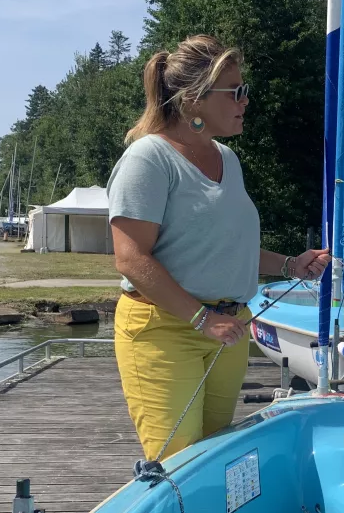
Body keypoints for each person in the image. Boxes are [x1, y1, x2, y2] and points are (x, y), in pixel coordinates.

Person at [108, 34, 330, 461]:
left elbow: (227, 248)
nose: (246, 100)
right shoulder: (148, 158)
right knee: (179, 463)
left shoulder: (228, 158)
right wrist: (201, 318)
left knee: (214, 458)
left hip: (228, 327)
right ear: (193, 100)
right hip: (166, 330)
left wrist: (291, 265)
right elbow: (131, 258)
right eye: (237, 91)